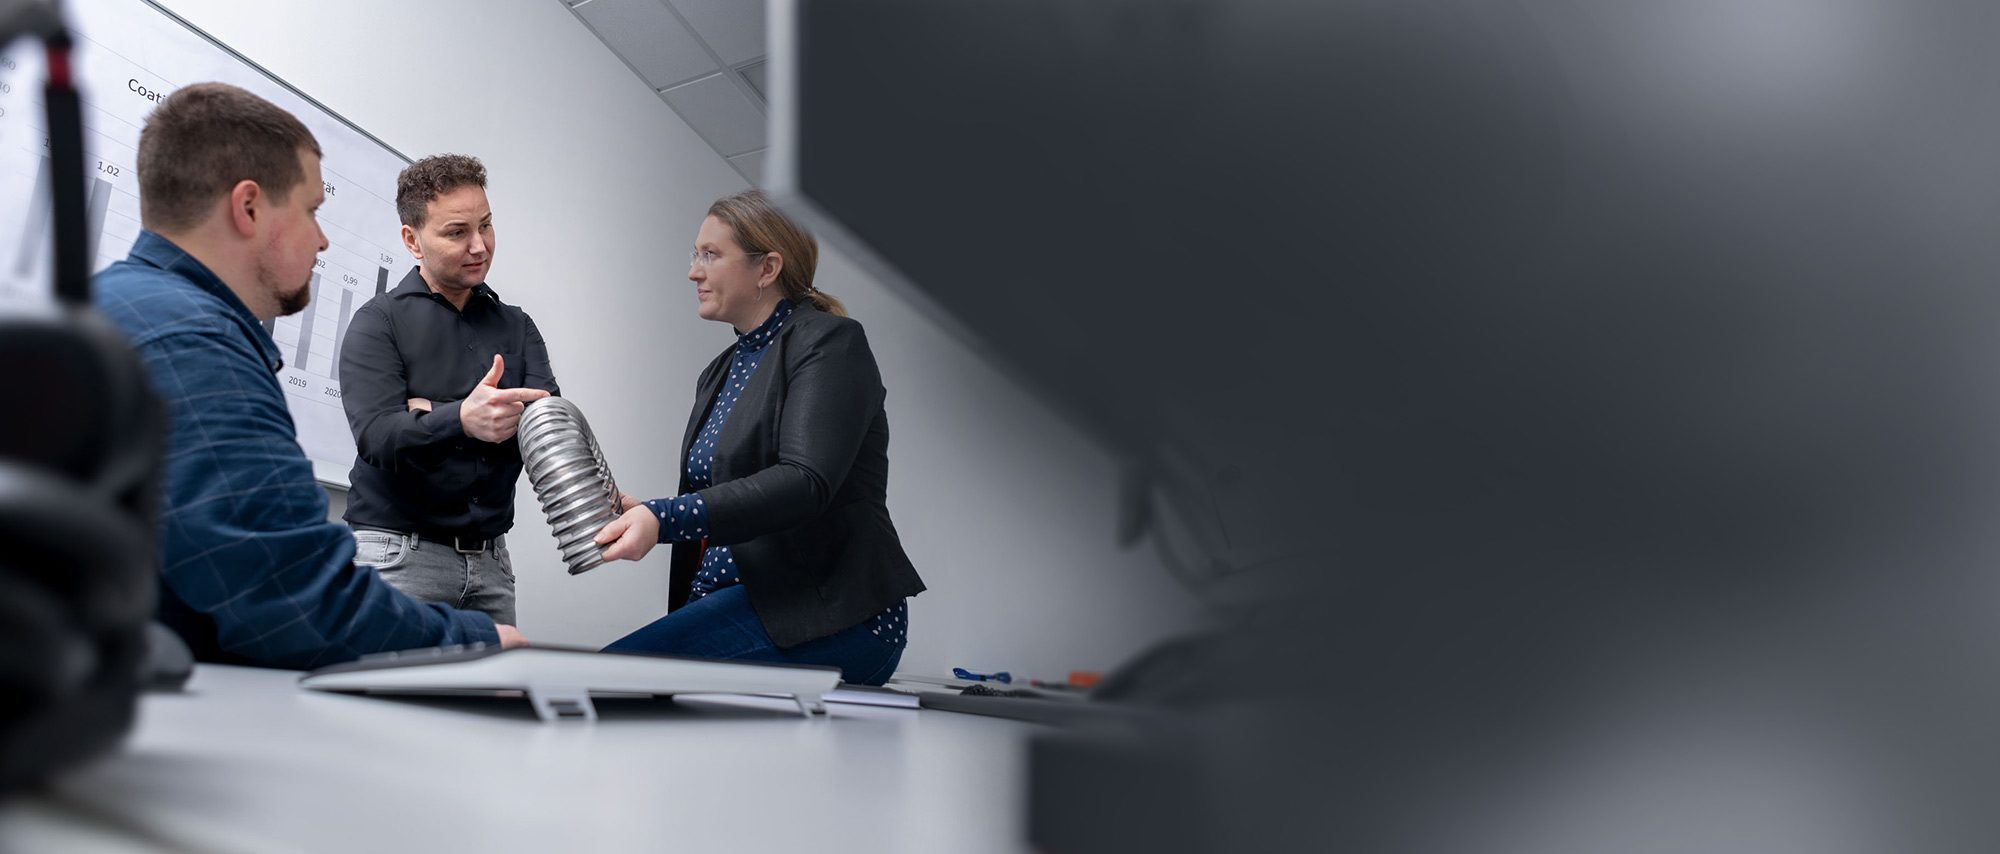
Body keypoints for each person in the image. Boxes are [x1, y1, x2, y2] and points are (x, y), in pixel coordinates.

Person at [91, 83, 524, 668]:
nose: (322, 240)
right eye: (313, 211)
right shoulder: (194, 344)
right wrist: (473, 641)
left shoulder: (118, 305)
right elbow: (290, 594)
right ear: (247, 209)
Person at [593, 189, 925, 685]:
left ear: (767, 268)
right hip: (744, 602)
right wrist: (649, 514)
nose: (693, 271)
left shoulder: (831, 342)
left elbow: (804, 481)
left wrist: (663, 518)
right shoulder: (721, 370)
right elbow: (724, 501)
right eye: (695, 253)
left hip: (833, 617)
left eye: (711, 254)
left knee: (603, 679)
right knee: (600, 679)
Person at [336, 155, 556, 625]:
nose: (480, 246)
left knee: (488, 700)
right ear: (412, 240)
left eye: (487, 226)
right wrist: (462, 418)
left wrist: (424, 410)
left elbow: (543, 425)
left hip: (493, 566)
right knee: (384, 699)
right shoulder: (379, 322)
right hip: (396, 557)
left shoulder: (518, 326)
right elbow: (377, 436)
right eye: (457, 232)